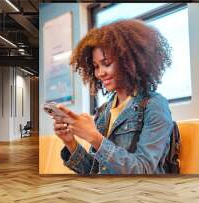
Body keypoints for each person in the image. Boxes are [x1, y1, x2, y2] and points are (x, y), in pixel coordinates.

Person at [53, 19, 173, 174]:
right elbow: (95, 170)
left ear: (128, 61)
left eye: (107, 63)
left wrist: (95, 138)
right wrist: (70, 143)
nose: (100, 73)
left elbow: (143, 169)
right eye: (96, 66)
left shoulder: (154, 105)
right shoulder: (104, 111)